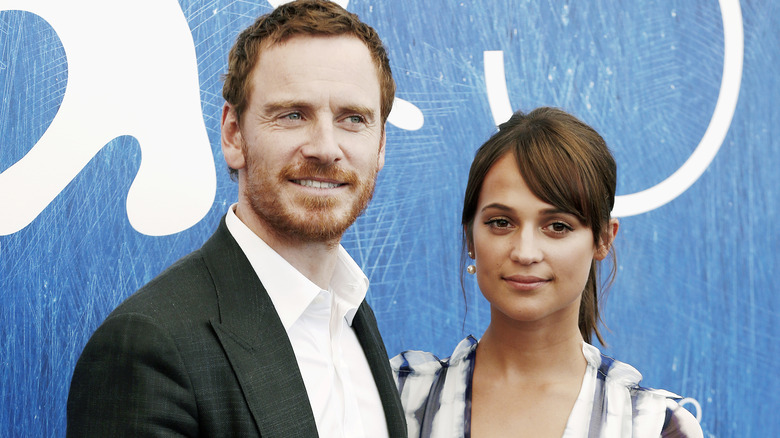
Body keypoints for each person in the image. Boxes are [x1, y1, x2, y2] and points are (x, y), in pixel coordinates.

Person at [67, 1, 406, 436]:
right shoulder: (150, 348)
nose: (325, 147)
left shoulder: (351, 314)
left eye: (353, 119)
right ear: (233, 135)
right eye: (293, 115)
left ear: (380, 147)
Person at [391, 107, 703, 437]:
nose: (525, 252)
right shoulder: (399, 395)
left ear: (603, 240)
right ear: (470, 236)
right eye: (501, 223)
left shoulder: (654, 425)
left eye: (557, 226)